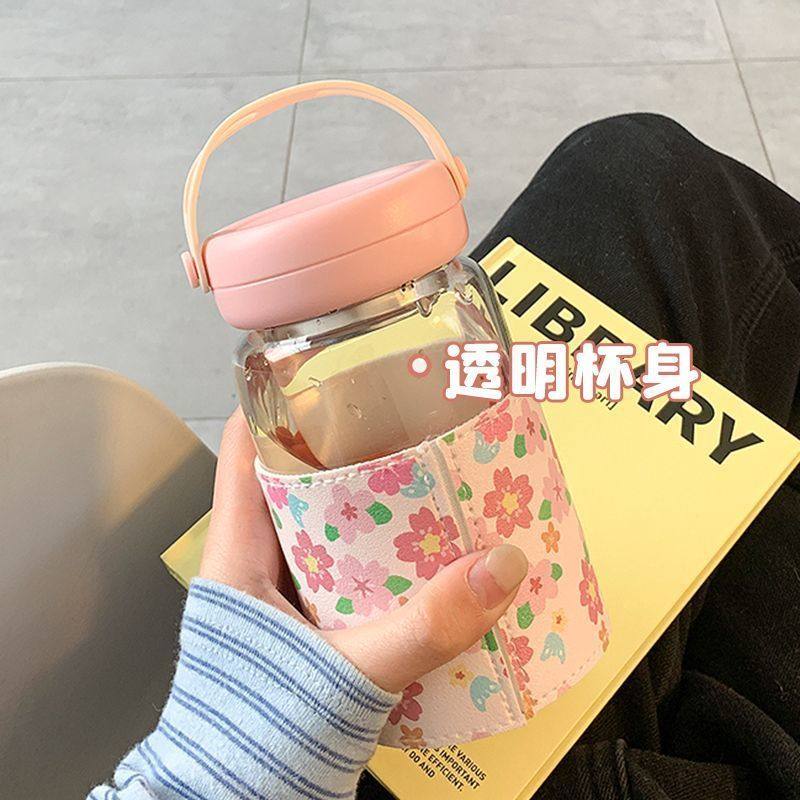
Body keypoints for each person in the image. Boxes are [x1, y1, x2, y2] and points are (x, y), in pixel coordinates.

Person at [89, 113, 800, 800]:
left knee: (632, 160)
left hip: (298, 743)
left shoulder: (425, 306)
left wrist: (218, 768)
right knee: (644, 169)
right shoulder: (275, 363)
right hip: (404, 745)